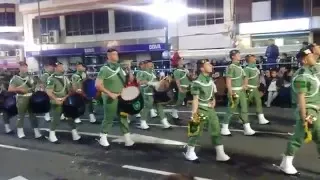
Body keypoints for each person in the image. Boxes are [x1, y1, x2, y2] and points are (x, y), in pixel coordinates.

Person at [278, 46, 319, 175]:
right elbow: (301, 97)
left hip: (315, 110)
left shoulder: (310, 72)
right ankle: (286, 162)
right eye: (311, 56)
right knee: (298, 137)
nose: (313, 57)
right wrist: (303, 116)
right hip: (309, 111)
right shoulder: (302, 75)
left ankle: (286, 162)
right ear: (305, 60)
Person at [184, 59, 230, 162]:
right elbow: (195, 99)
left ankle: (220, 153)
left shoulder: (209, 79)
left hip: (210, 109)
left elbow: (212, 92)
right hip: (201, 109)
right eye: (208, 65)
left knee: (216, 129)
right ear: (202, 68)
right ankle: (189, 152)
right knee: (196, 131)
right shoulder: (197, 82)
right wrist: (194, 114)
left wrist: (213, 99)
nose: (211, 66)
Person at [95, 48, 134, 148]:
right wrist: (110, 93)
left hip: (121, 97)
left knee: (124, 117)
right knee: (109, 118)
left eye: (117, 54)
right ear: (108, 56)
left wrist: (129, 70)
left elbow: (130, 80)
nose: (116, 56)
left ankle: (128, 139)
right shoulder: (105, 69)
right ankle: (103, 138)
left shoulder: (120, 67)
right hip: (110, 97)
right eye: (114, 54)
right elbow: (98, 85)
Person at [221, 50, 255, 136]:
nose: (239, 56)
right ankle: (224, 127)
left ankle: (247, 127)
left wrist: (245, 84)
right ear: (233, 56)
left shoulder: (240, 67)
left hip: (241, 91)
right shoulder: (231, 67)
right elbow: (228, 79)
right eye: (238, 54)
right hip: (234, 90)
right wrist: (230, 91)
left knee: (244, 108)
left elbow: (245, 77)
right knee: (231, 109)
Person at [46, 62, 81, 143]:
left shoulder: (65, 78)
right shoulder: (51, 79)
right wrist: (56, 100)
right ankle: (52, 135)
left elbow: (69, 89)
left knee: (70, 117)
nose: (62, 67)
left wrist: (75, 90)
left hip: (66, 100)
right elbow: (49, 92)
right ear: (56, 68)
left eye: (62, 66)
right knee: (56, 119)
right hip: (57, 102)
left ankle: (75, 134)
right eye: (60, 66)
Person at [8, 62, 42, 139]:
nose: (24, 68)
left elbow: (38, 83)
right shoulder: (15, 78)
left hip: (31, 97)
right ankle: (20, 132)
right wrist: (19, 89)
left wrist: (39, 86)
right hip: (21, 98)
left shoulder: (31, 76)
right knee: (21, 116)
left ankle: (37, 132)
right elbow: (10, 89)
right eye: (22, 67)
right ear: (19, 68)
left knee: (33, 115)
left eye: (25, 67)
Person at [136, 60, 172, 130]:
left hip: (155, 92)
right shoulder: (141, 73)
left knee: (159, 106)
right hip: (146, 92)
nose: (152, 66)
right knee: (147, 107)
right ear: (146, 65)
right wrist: (150, 83)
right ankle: (143, 122)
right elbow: (139, 82)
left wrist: (163, 79)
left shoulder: (153, 72)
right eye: (150, 65)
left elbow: (157, 80)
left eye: (152, 65)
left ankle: (165, 122)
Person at [244, 54, 270, 124]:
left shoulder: (255, 68)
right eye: (253, 58)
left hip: (255, 89)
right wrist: (245, 88)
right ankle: (242, 118)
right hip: (249, 89)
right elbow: (245, 79)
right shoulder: (247, 69)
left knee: (258, 102)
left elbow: (258, 78)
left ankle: (261, 118)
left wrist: (259, 87)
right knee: (245, 103)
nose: (255, 59)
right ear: (250, 60)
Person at [172, 57, 191, 124]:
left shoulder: (184, 70)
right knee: (179, 102)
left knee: (193, 101)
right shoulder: (176, 71)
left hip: (189, 87)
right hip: (183, 88)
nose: (182, 61)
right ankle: (174, 114)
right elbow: (177, 81)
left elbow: (190, 78)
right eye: (181, 60)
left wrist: (188, 73)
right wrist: (180, 89)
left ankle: (193, 116)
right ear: (177, 62)